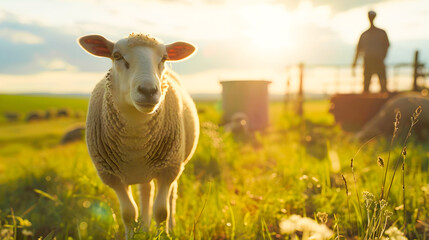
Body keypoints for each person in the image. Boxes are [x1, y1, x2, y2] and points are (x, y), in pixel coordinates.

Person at [352, 10, 390, 93]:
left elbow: (386, 46)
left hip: (376, 60)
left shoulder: (378, 33)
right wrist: (354, 63)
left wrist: (382, 57)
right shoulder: (366, 34)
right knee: (367, 84)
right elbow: (359, 49)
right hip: (369, 61)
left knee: (382, 83)